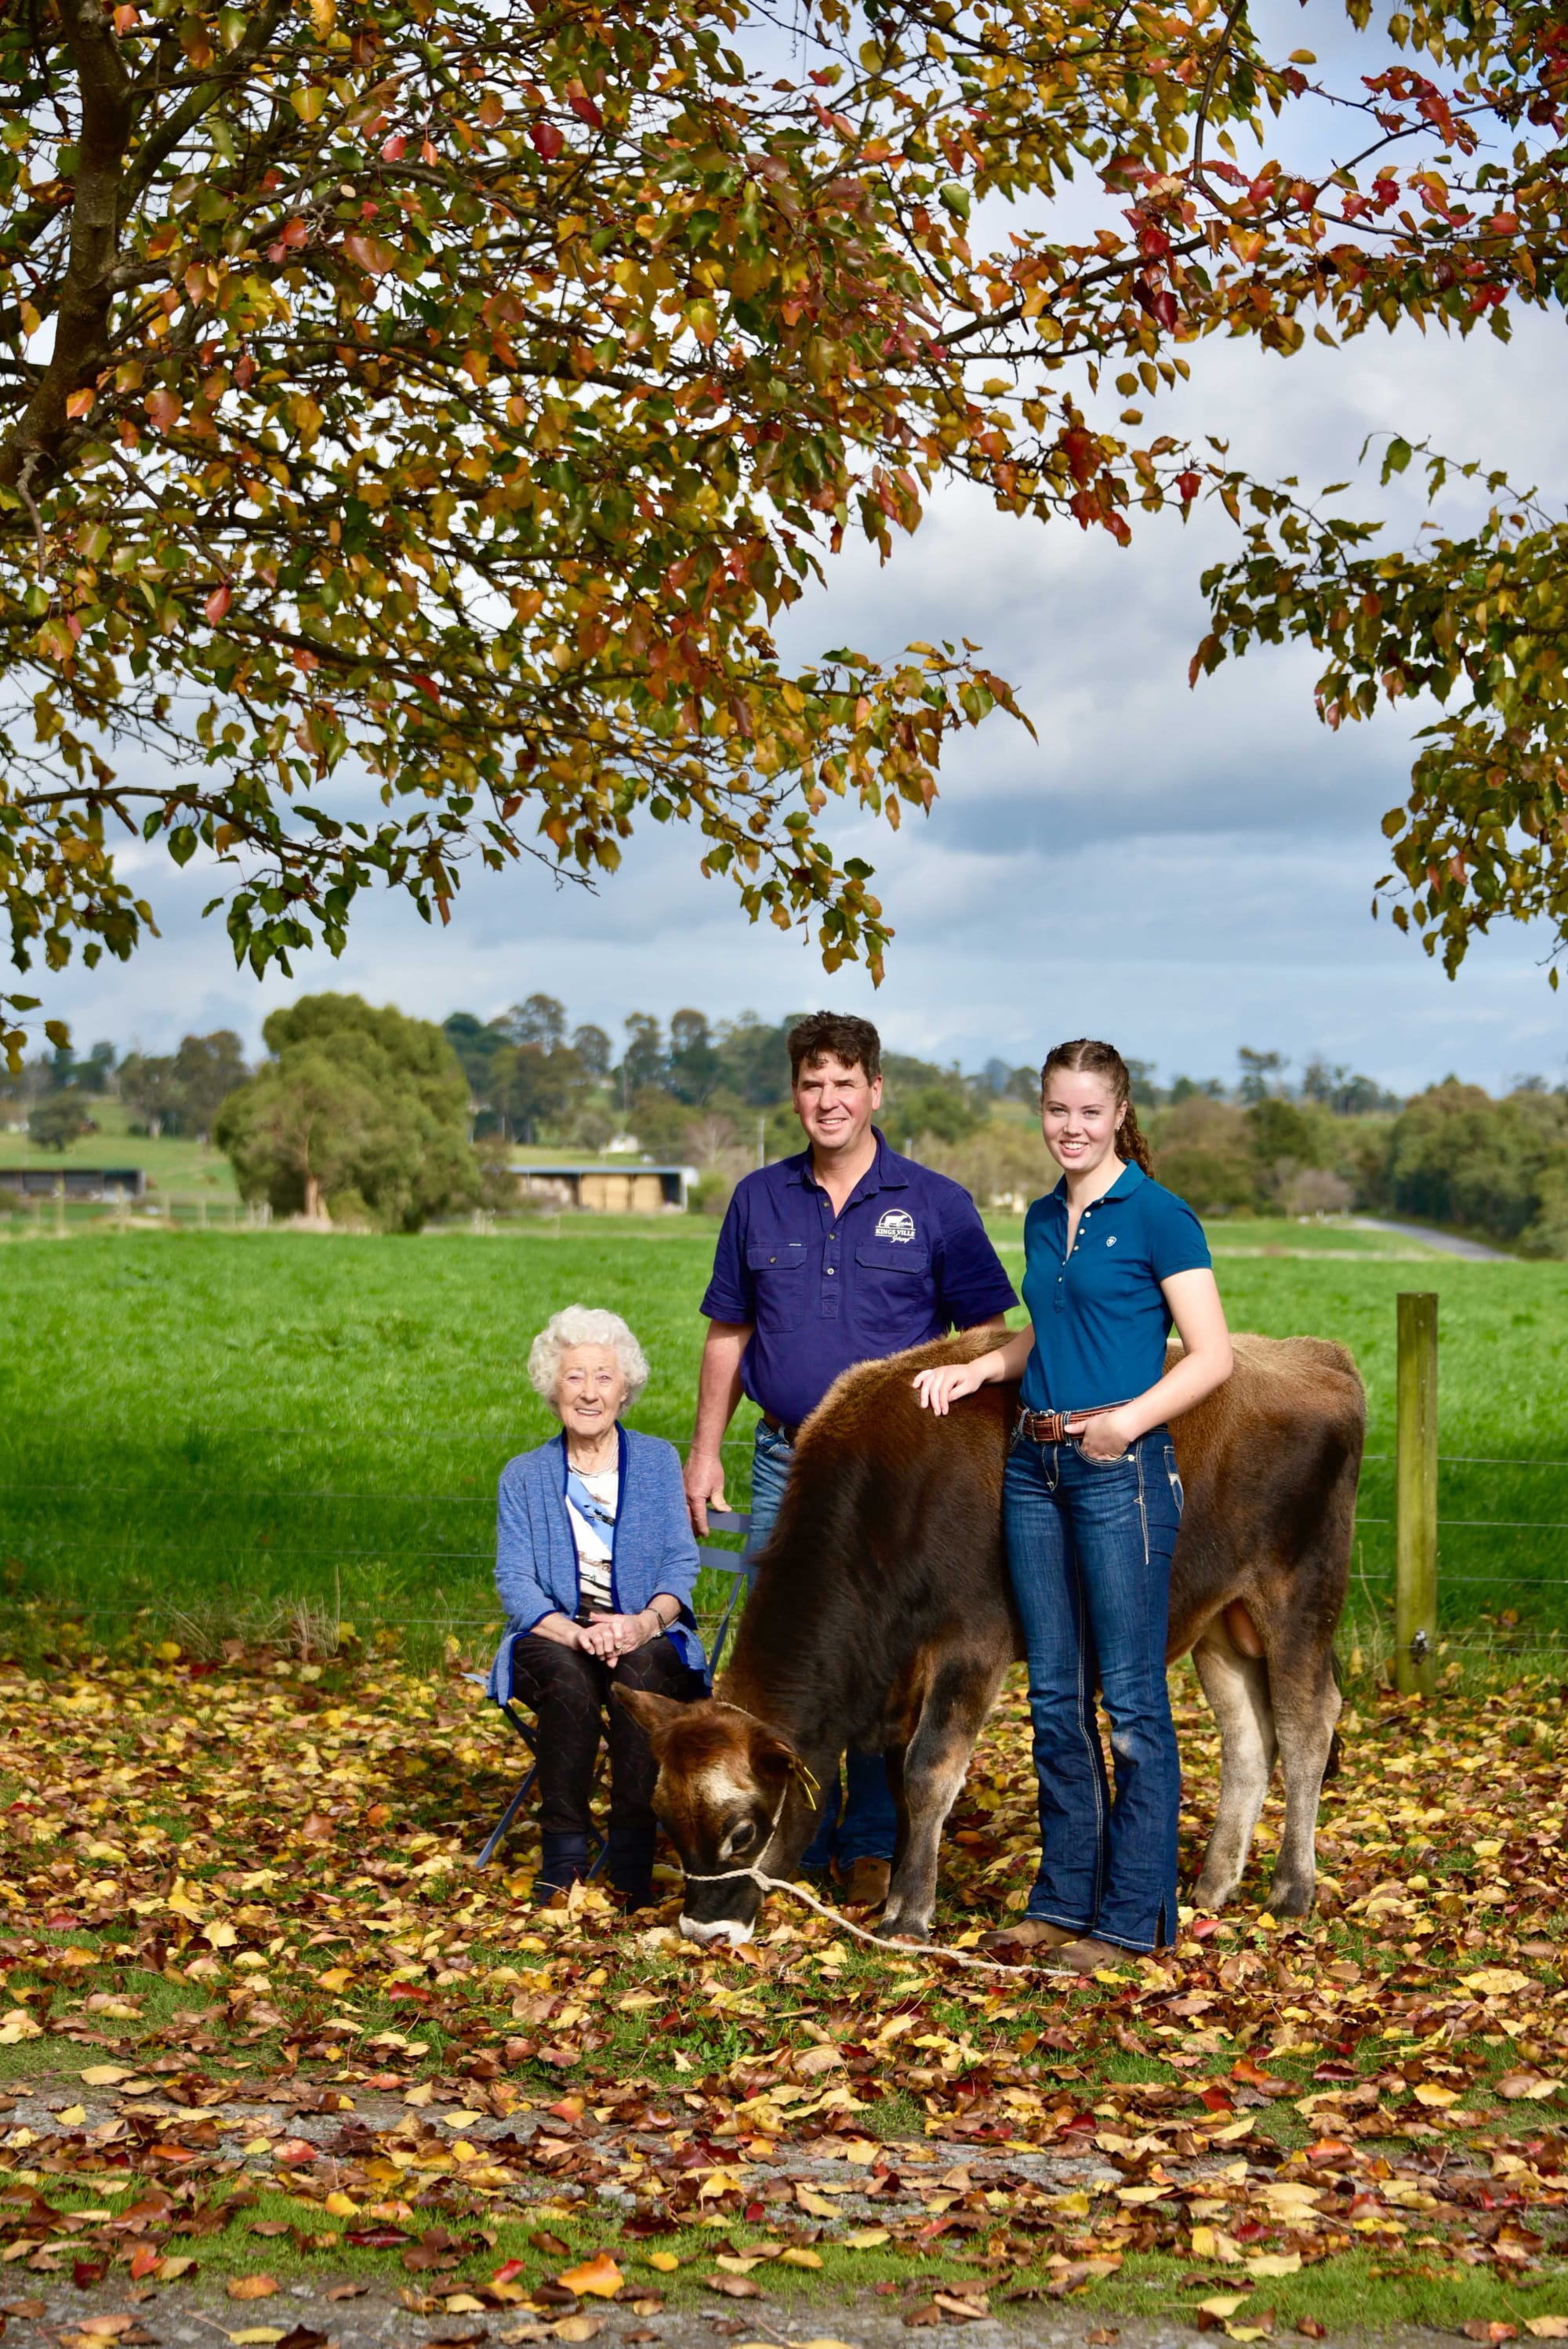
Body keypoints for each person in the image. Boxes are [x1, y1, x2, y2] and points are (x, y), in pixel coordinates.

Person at [685, 1010, 1018, 1909]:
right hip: (781, 1457)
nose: (826, 1100)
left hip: (893, 1483)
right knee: (795, 1652)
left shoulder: (934, 1202)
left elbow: (988, 1333)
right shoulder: (758, 1197)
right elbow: (729, 1330)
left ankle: (871, 1843)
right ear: (793, 1092)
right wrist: (703, 1448)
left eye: (843, 1083)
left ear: (875, 1090)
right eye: (809, 1083)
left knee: (882, 1655)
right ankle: (792, 1828)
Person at [914, 1038, 1233, 1971]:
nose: (1071, 1126)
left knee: (1128, 1697)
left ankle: (1133, 1916)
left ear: (1118, 1111)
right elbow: (1052, 1332)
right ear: (1041, 1112)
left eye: (1088, 1111)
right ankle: (1061, 1900)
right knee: (1053, 1697)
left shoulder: (1159, 1216)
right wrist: (982, 1364)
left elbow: (1211, 1355)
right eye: (1057, 1109)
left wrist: (1124, 1425)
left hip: (1116, 1473)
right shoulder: (1044, 1217)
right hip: (1033, 1469)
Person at [489, 1305, 703, 1911]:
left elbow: (678, 1567)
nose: (589, 1392)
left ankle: (633, 1855)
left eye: (604, 1377)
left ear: (625, 1388)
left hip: (645, 1628)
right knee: (569, 1682)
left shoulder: (659, 1462)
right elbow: (516, 1580)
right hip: (554, 1635)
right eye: (575, 1377)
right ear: (552, 1388)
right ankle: (565, 1856)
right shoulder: (523, 1476)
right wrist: (571, 1633)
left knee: (640, 1676)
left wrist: (641, 1624)